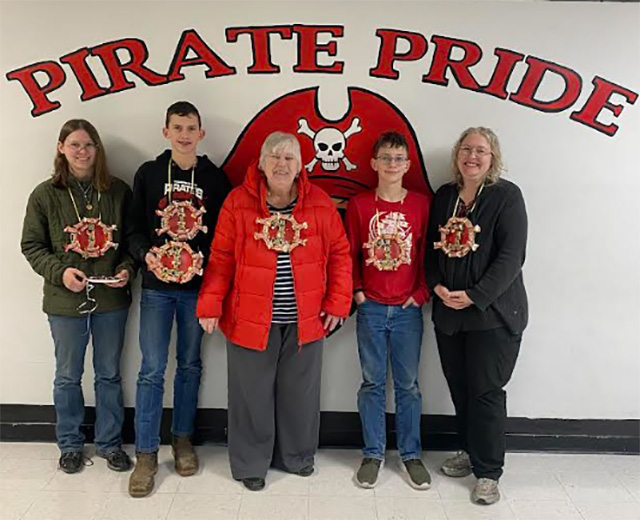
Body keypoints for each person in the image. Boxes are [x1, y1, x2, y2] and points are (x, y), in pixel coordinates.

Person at [197, 131, 352, 491]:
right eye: (275, 156)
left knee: (301, 394)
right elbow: (221, 258)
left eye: (289, 158)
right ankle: (251, 464)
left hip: (306, 319)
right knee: (250, 395)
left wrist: (337, 302)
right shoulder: (238, 202)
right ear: (262, 163)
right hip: (250, 317)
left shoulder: (320, 203)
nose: (282, 164)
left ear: (300, 166)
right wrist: (210, 303)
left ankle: (297, 456)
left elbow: (341, 255)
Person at [127, 101, 231, 497]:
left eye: (191, 128)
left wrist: (214, 282)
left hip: (196, 290)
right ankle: (146, 453)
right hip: (157, 286)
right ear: (166, 131)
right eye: (177, 128)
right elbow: (133, 227)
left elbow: (224, 237)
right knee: (152, 369)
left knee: (189, 365)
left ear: (201, 133)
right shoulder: (149, 173)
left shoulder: (215, 178)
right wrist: (145, 254)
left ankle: (182, 439)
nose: (184, 135)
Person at [21, 119, 135, 474]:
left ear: (97, 148)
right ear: (61, 148)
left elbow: (133, 241)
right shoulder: (44, 194)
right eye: (74, 145)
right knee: (68, 376)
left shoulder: (118, 191)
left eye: (88, 145)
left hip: (110, 300)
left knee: (109, 374)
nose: (82, 151)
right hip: (65, 300)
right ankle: (70, 444)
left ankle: (109, 444)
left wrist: (127, 269)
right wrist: (60, 273)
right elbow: (31, 245)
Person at [425, 127, 528, 505]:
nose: (472, 156)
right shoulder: (444, 196)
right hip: (450, 315)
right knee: (460, 388)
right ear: (457, 155)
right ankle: (469, 451)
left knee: (486, 392)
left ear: (492, 157)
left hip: (492, 315)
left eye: (481, 150)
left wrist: (475, 295)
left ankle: (488, 473)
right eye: (466, 149)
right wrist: (436, 286)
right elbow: (429, 249)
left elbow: (512, 257)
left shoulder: (506, 196)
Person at [345, 132, 432, 490]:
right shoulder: (359, 205)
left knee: (408, 385)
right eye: (386, 158)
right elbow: (348, 252)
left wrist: (421, 294)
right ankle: (373, 453)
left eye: (398, 158)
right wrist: (357, 292)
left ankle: (411, 454)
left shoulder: (422, 205)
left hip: (408, 310)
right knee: (372, 383)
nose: (392, 164)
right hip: (371, 308)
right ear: (374, 163)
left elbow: (428, 254)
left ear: (408, 165)